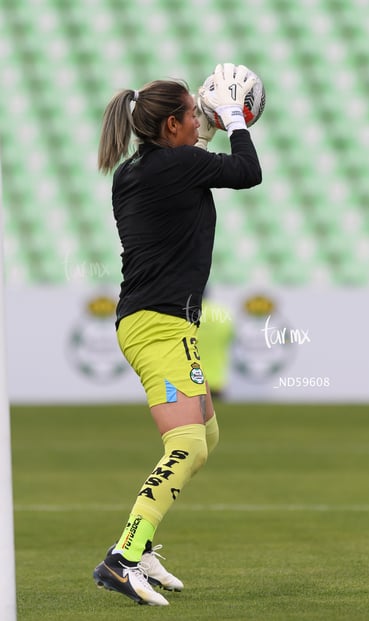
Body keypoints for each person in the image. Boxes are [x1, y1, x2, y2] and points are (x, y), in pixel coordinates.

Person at [93, 63, 262, 607]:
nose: (200, 118)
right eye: (194, 113)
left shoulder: (140, 169)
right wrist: (236, 118)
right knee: (186, 444)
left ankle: (138, 554)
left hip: (160, 320)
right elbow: (246, 172)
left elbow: (195, 169)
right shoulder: (179, 166)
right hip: (158, 323)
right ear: (171, 126)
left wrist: (205, 127)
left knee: (205, 437)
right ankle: (123, 557)